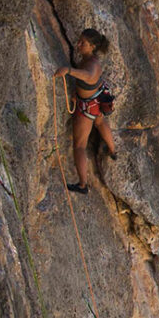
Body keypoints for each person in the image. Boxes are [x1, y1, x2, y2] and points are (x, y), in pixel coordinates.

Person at [54, 28, 118, 194]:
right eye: (79, 40)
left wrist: (68, 71)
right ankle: (112, 150)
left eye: (83, 43)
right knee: (100, 121)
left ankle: (83, 185)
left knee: (79, 145)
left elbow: (87, 75)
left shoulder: (91, 66)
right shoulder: (92, 59)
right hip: (96, 100)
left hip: (87, 107)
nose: (79, 44)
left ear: (92, 47)